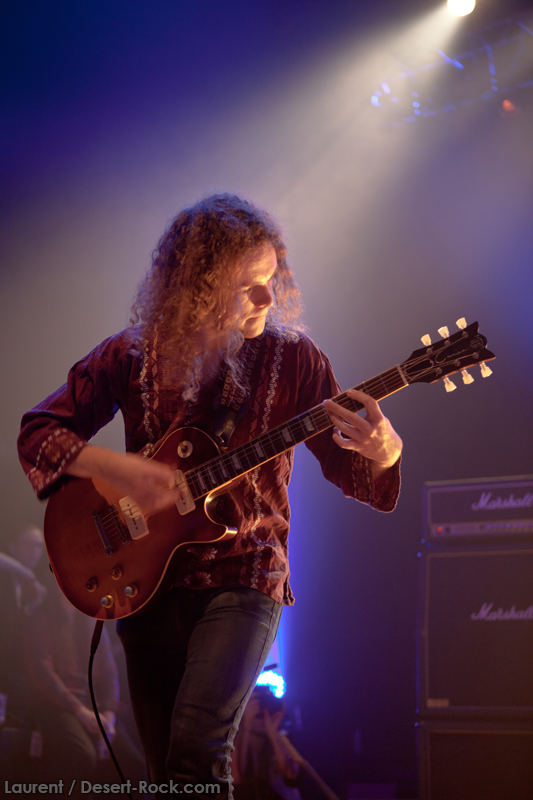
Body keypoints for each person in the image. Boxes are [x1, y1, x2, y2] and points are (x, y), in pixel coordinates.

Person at [18, 193, 402, 796]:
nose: (269, 298)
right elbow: (39, 431)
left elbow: (349, 468)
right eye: (249, 286)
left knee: (198, 750)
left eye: (272, 279)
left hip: (245, 573)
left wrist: (386, 452)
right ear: (196, 288)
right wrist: (113, 467)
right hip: (143, 579)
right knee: (165, 772)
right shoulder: (130, 355)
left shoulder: (295, 360)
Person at [232, 686, 302, 800]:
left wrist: (274, 734)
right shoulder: (234, 741)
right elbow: (235, 779)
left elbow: (292, 778)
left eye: (263, 705)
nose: (261, 711)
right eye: (254, 704)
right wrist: (246, 723)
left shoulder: (283, 739)